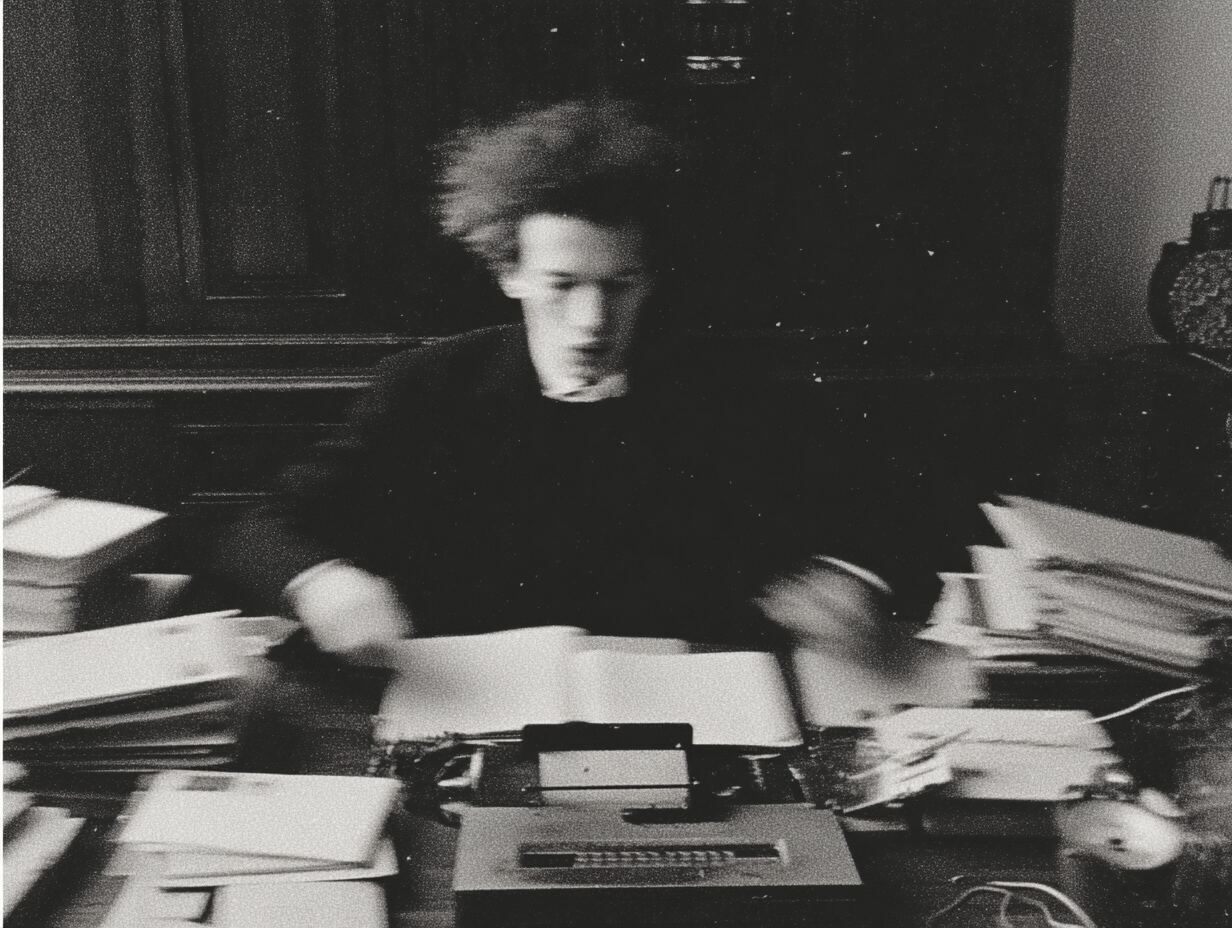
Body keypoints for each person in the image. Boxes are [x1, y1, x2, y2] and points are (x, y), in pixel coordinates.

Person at [213, 99, 921, 663]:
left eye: (620, 285)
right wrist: (323, 584)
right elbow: (263, 528)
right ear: (508, 273)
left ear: (653, 278)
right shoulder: (424, 388)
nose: (591, 323)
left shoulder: (735, 389)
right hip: (475, 717)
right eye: (562, 285)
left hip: (696, 717)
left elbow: (886, 515)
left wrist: (850, 579)